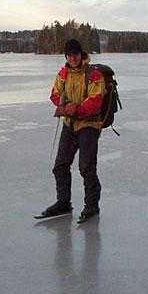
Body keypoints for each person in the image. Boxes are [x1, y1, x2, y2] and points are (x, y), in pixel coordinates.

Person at [38, 39, 106, 223]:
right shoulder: (63, 74)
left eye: (75, 54)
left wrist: (74, 109)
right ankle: (63, 202)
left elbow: (95, 102)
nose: (72, 58)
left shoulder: (94, 74)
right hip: (70, 125)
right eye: (69, 55)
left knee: (86, 167)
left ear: (81, 54)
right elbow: (54, 94)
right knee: (60, 166)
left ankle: (92, 205)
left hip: (89, 126)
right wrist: (65, 106)